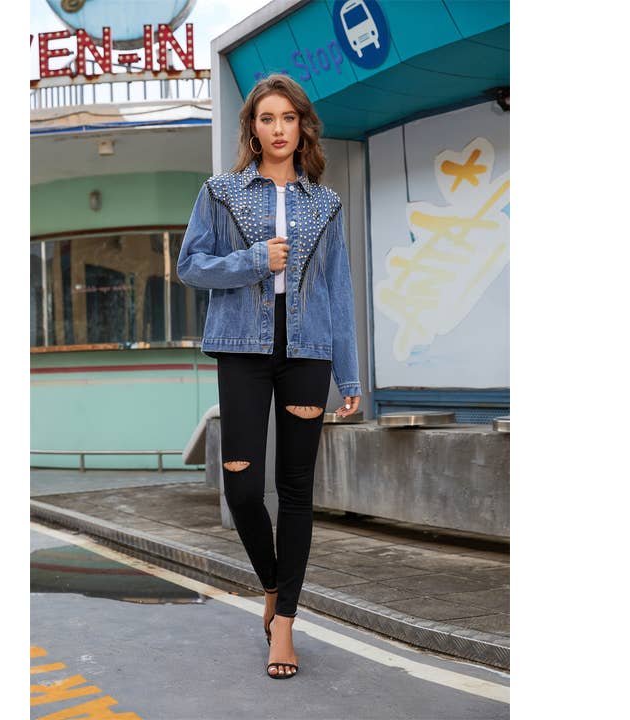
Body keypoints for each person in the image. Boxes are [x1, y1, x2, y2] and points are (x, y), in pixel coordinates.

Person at [177, 73, 362, 679]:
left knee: (297, 490)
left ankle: (284, 623)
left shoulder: (325, 203)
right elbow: (190, 267)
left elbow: (338, 292)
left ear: (301, 127)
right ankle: (273, 586)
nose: (278, 128)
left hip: (308, 351)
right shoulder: (220, 192)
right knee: (242, 488)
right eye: (266, 118)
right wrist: (254, 260)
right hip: (241, 350)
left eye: (288, 118)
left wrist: (349, 374)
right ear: (252, 130)